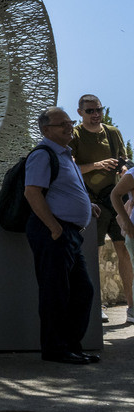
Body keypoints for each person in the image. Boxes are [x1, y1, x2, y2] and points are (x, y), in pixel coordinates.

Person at [23, 107, 101, 365]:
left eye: (69, 122)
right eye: (62, 124)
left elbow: (64, 190)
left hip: (69, 235)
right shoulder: (42, 155)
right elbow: (32, 192)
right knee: (56, 292)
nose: (69, 126)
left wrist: (87, 206)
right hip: (54, 233)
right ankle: (56, 350)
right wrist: (55, 228)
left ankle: (71, 347)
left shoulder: (66, 155)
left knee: (82, 291)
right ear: (46, 130)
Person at [70, 94, 130, 324]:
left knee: (124, 250)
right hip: (91, 201)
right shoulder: (75, 135)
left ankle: (131, 306)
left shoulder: (112, 133)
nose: (95, 115)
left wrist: (123, 169)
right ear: (80, 113)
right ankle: (97, 305)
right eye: (90, 111)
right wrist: (97, 165)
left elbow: (124, 160)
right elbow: (71, 168)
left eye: (99, 110)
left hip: (116, 199)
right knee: (91, 255)